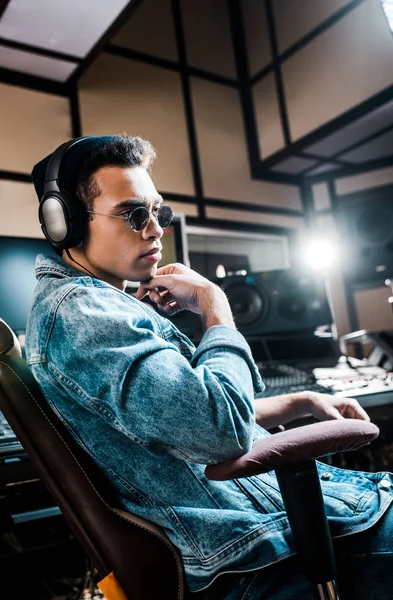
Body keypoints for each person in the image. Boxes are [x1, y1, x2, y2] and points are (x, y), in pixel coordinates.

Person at [26, 134, 393, 599]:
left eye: (158, 212)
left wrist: (295, 401)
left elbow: (182, 421)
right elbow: (220, 431)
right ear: (66, 223)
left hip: (259, 533)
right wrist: (215, 307)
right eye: (133, 213)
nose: (156, 228)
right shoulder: (86, 316)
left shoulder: (98, 307)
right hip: (258, 553)